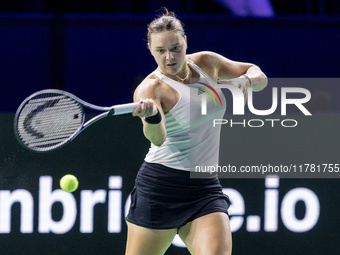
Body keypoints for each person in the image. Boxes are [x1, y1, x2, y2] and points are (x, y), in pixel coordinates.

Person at [126, 8, 267, 255]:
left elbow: (258, 74)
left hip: (204, 188)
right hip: (160, 189)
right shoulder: (150, 89)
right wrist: (153, 116)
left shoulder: (206, 63)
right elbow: (157, 139)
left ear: (185, 42)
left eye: (175, 48)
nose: (169, 57)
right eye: (160, 51)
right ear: (150, 50)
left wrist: (247, 81)